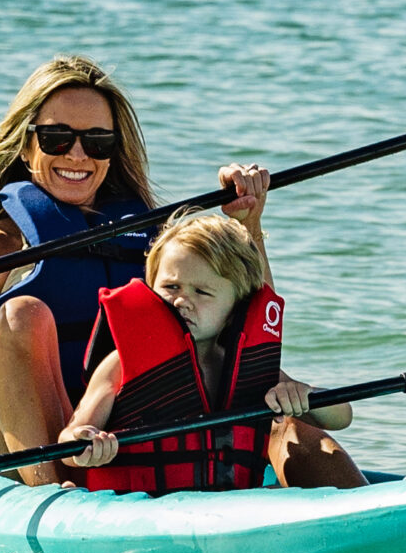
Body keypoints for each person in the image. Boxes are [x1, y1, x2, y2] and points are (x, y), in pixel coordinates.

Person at [0, 54, 272, 485]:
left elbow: (256, 331)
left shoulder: (150, 241)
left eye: (97, 141)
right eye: (56, 138)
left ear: (114, 150)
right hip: (29, 461)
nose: (77, 154)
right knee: (22, 314)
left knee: (297, 426)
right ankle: (54, 496)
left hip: (124, 445)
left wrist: (247, 224)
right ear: (26, 142)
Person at [61, 209, 363, 492]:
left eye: (202, 292)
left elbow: (342, 417)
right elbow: (70, 438)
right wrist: (85, 445)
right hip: (139, 513)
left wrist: (304, 397)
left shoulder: (253, 370)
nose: (182, 301)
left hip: (224, 513)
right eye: (171, 287)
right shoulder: (121, 364)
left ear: (236, 305)